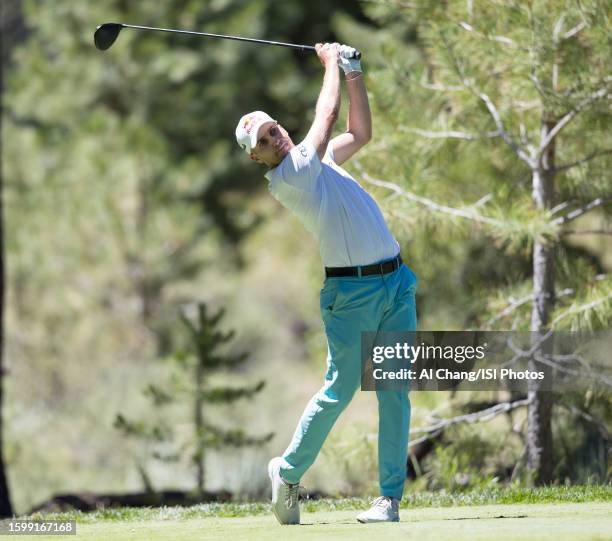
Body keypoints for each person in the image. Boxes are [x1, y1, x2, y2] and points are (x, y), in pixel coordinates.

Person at [235, 42, 418, 525]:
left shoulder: (315, 162)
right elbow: (329, 112)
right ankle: (289, 473)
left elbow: (360, 131)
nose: (275, 139)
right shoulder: (292, 175)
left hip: (395, 282)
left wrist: (354, 73)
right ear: (258, 160)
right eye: (265, 143)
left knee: (395, 390)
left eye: (274, 130)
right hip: (351, 295)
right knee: (340, 390)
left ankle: (389, 500)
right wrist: (332, 65)